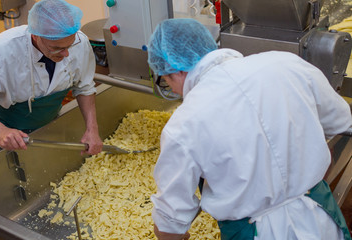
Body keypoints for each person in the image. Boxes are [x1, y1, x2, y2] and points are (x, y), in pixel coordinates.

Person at [147, 18, 352, 240]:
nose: (176, 92)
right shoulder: (287, 63)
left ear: (175, 71)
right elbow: (340, 121)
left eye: (167, 82)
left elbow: (170, 223)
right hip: (320, 219)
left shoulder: (183, 124)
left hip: (254, 233)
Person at [0, 0, 102, 154]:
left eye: (69, 46)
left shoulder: (80, 41)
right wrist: (0, 131)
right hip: (11, 134)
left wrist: (92, 129)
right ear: (35, 36)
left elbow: (84, 88)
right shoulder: (1, 52)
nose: (66, 53)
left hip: (52, 125)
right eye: (56, 48)